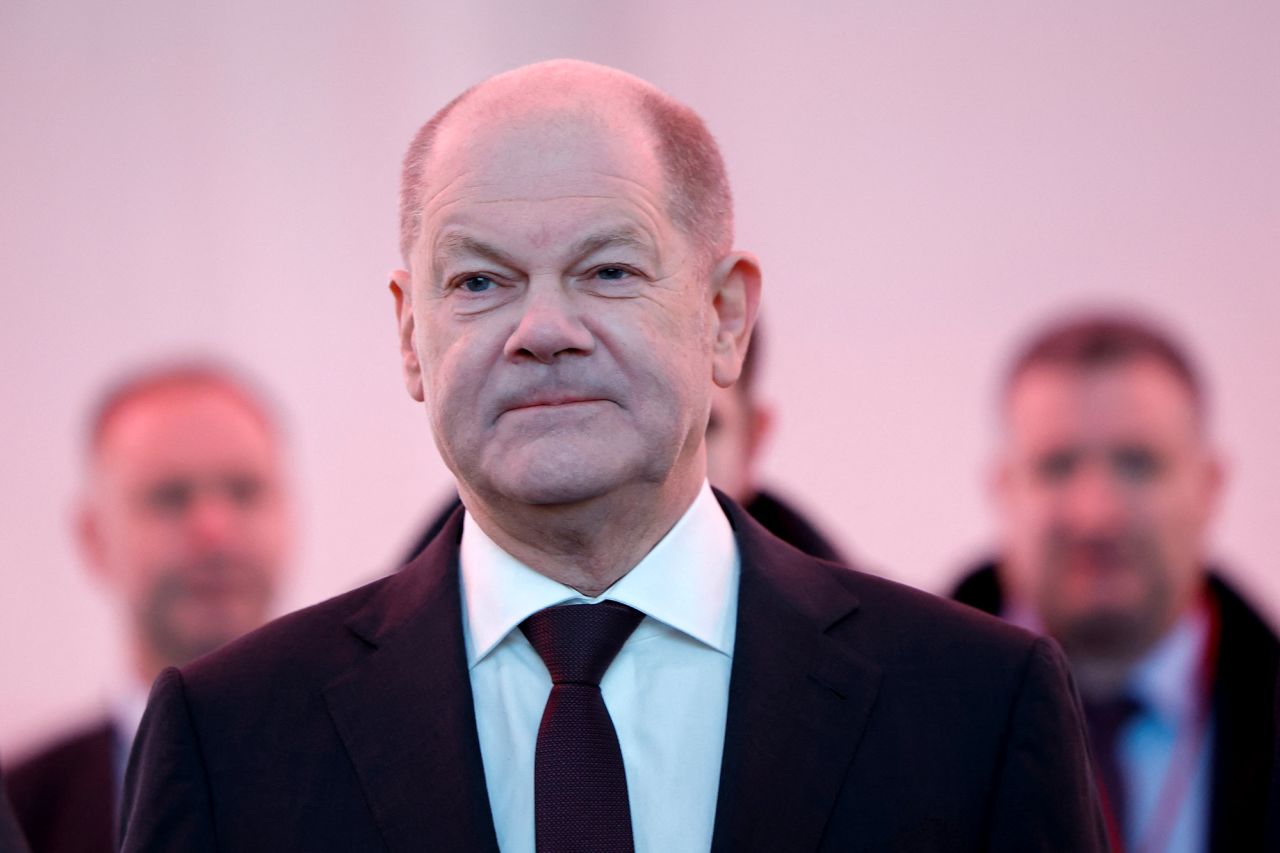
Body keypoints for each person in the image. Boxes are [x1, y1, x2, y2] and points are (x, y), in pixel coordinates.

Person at [121, 59, 1105, 852]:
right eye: (479, 280)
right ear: (408, 334)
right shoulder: (231, 737)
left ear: (723, 319)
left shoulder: (973, 706)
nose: (543, 328)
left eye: (607, 271)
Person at [951, 313, 1279, 852]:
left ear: (1210, 486)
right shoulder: (897, 726)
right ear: (1002, 489)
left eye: (1138, 465)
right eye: (1057, 467)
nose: (1097, 515)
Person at [5, 364, 291, 853]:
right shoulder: (21, 812)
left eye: (244, 491)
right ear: (94, 537)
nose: (214, 530)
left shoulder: (382, 760)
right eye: (170, 498)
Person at [401, 324, 849, 566]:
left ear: (755, 441)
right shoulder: (345, 666)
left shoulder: (900, 660)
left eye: (705, 428)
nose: (665, 459)